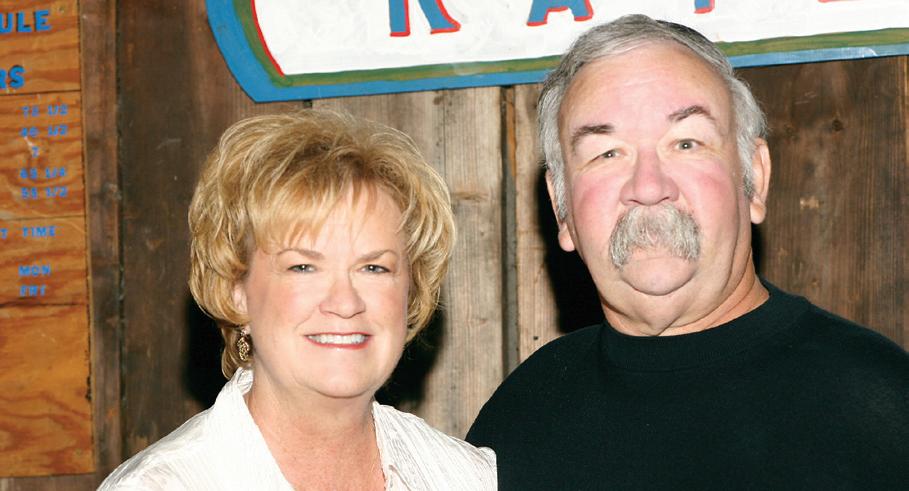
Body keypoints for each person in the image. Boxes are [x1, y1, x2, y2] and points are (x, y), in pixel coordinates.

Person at [466, 14, 908, 489]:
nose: (648, 187)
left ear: (755, 178)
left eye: (686, 143)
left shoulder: (882, 409)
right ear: (561, 207)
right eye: (607, 153)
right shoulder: (523, 414)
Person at [101, 110, 496, 489]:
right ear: (236, 291)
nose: (345, 303)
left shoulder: (467, 476)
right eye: (304, 267)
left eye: (373, 268)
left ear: (410, 292)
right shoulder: (160, 485)